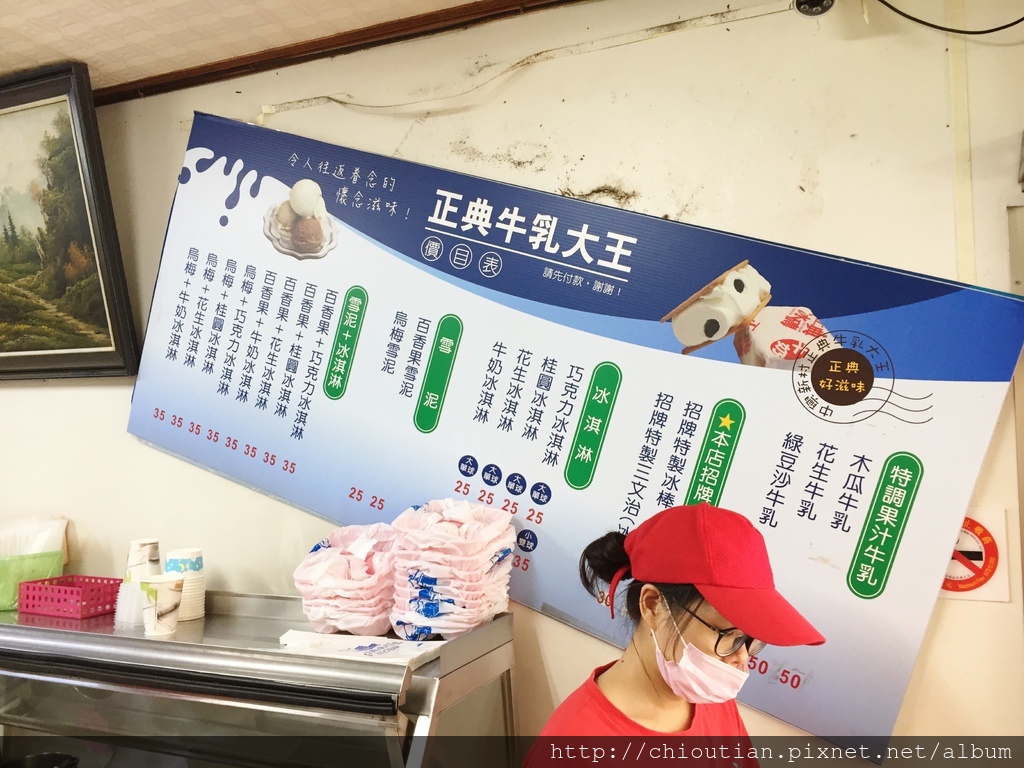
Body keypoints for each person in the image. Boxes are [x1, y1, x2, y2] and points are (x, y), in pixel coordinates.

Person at [535, 501, 825, 738]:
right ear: (653, 606)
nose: (742, 659)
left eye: (752, 639)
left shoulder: (710, 697)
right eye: (728, 634)